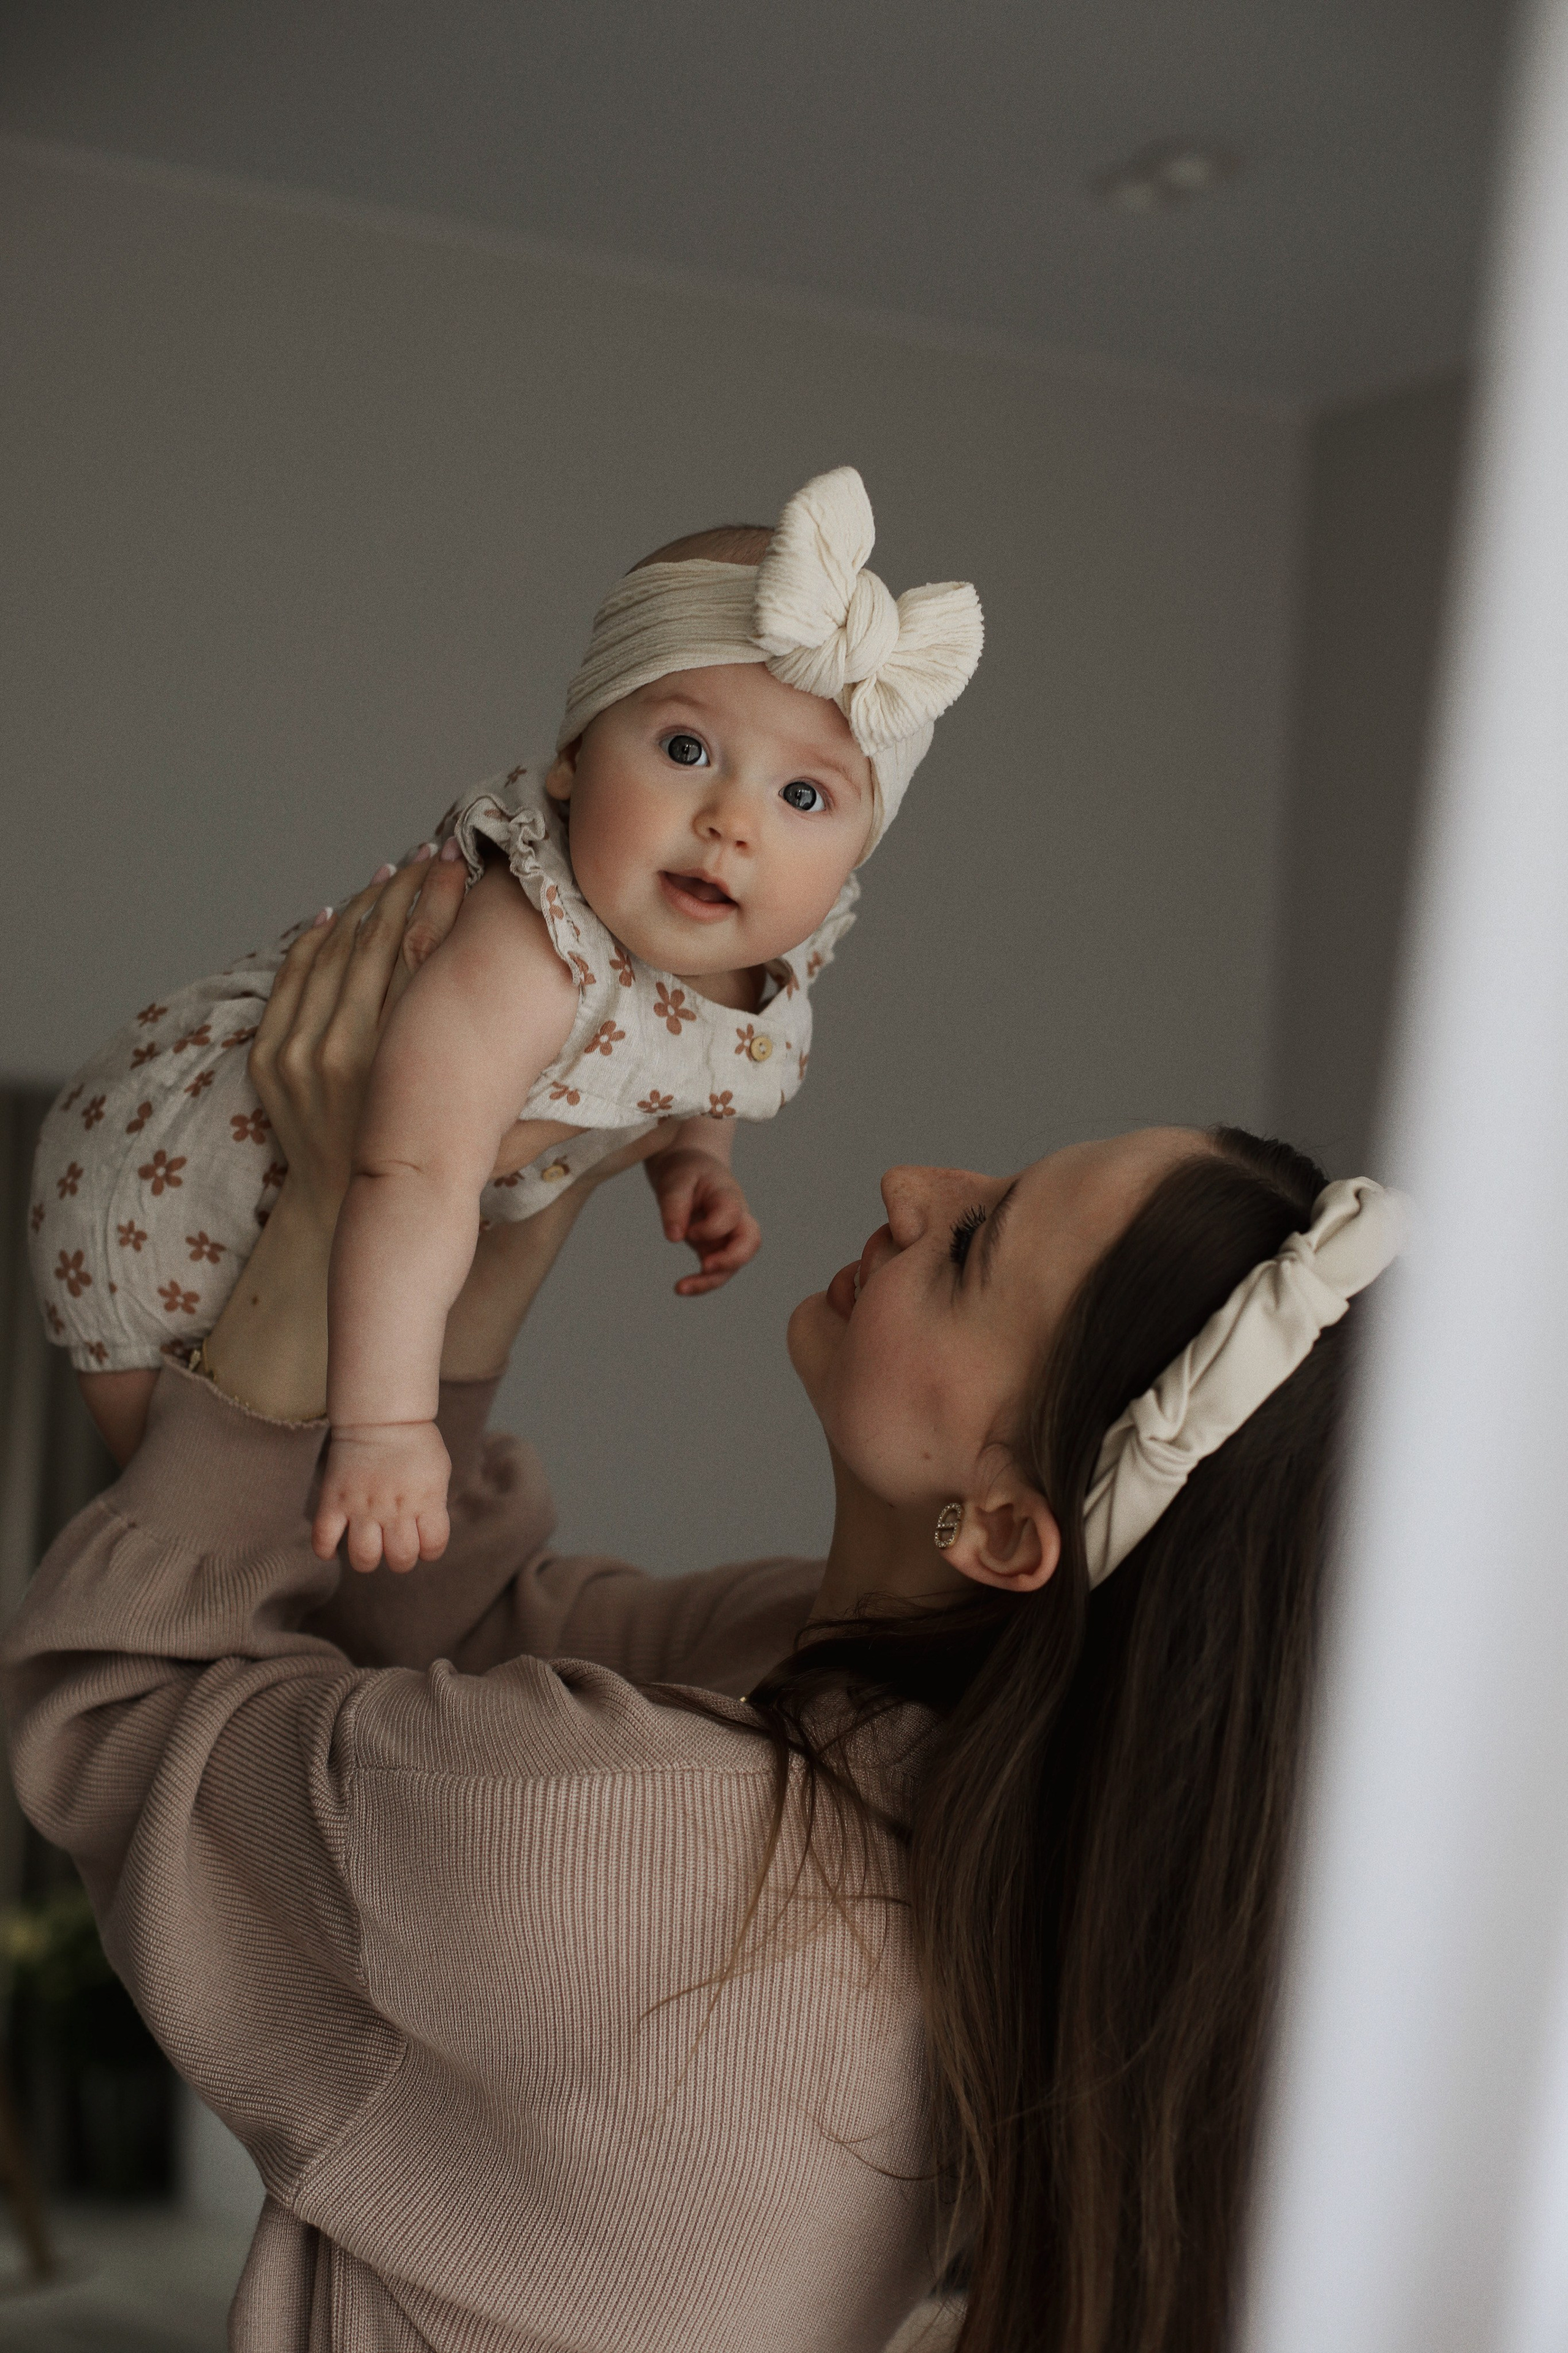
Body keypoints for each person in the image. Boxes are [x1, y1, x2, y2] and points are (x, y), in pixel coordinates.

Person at [2, 855, 1403, 2353]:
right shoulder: (887, 1739)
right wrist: (504, 1213)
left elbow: (115, 1715)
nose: (914, 1185)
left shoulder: (643, 1837)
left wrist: (334, 1216)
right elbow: (446, 1639)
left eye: (978, 1240)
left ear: (1005, 1528)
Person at [26, 466, 984, 1569]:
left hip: (333, 1226)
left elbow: (701, 1050)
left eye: (803, 797)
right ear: (574, 758)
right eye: (687, 750)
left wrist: (693, 1157)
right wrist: (389, 1427)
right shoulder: (532, 950)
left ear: (858, 849)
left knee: (273, 1556)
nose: (731, 823)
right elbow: (414, 1176)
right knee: (180, 1536)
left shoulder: (770, 940)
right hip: (162, 1176)